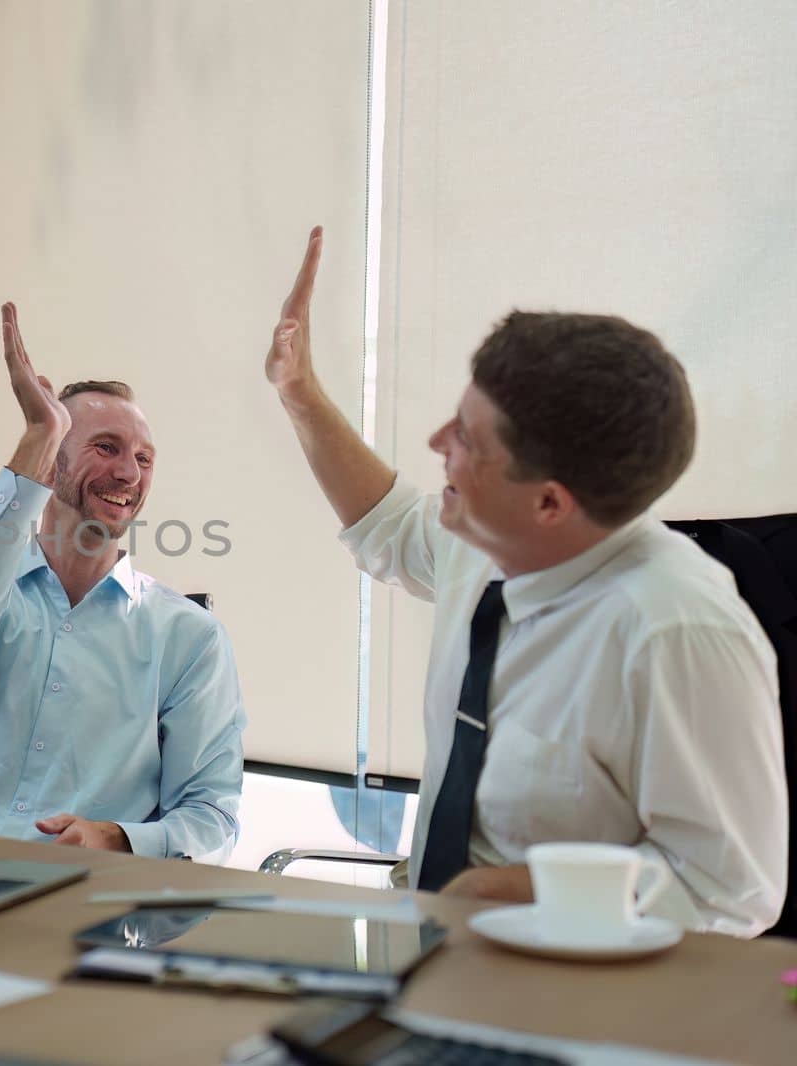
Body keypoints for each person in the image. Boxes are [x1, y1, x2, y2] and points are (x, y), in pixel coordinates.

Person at [262, 228, 786, 934]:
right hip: (437, 963)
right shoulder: (484, 545)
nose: (436, 442)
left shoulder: (678, 632)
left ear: (549, 503)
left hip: (573, 1006)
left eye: (467, 439)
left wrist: (521, 889)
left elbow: (732, 889)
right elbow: (385, 524)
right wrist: (300, 393)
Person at [0, 303, 244, 861]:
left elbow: (213, 819)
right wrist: (39, 435)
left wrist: (116, 837)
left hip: (89, 906)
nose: (130, 474)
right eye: (105, 447)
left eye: (144, 458)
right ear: (53, 464)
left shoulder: (189, 637)